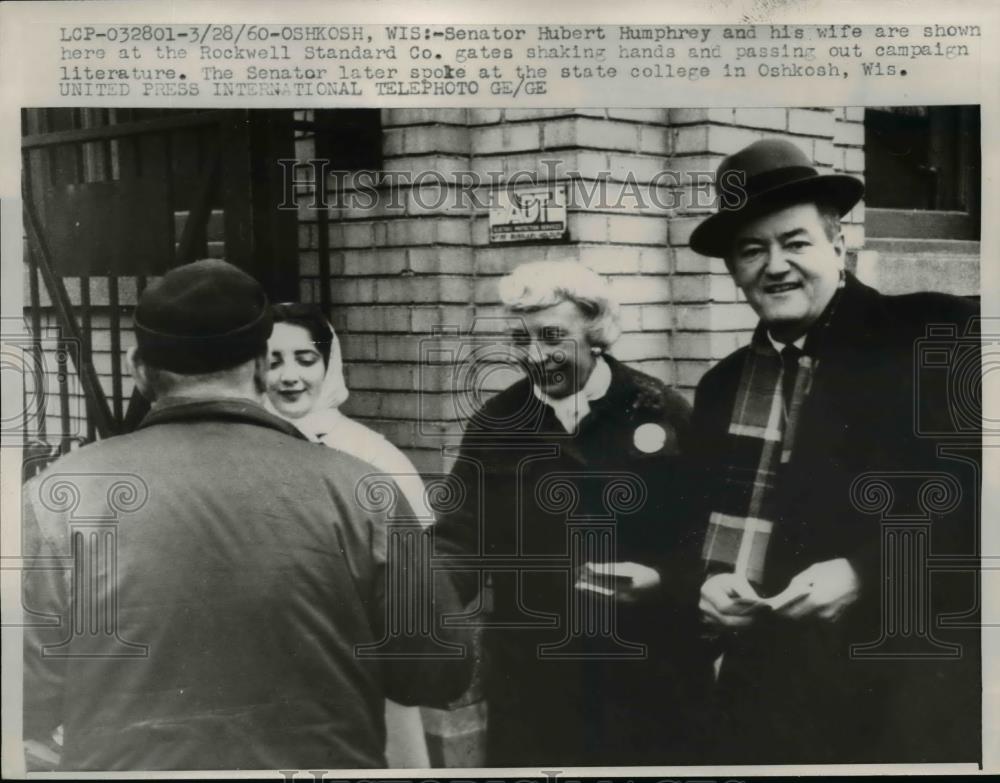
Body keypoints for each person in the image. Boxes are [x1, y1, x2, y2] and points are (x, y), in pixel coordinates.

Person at [21, 259, 472, 771]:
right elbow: (438, 670)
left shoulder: (58, 496)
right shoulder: (362, 489)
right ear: (261, 364)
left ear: (136, 367)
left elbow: (25, 695)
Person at [688, 138, 980, 763]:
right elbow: (691, 522)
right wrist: (707, 584)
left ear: (837, 244)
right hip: (764, 699)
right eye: (751, 250)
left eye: (795, 242)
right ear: (734, 271)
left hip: (901, 689)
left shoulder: (934, 334)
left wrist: (865, 573)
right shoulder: (719, 388)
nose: (775, 265)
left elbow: (977, 500)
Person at [434, 261, 712, 766]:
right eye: (521, 340)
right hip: (536, 684)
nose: (535, 355)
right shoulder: (497, 424)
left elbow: (709, 538)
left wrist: (663, 579)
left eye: (552, 337)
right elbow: (459, 537)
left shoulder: (658, 410)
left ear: (596, 331)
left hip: (648, 677)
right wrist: (421, 589)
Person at [263, 301, 432, 768]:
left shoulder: (372, 455)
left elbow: (414, 578)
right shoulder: (241, 450)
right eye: (273, 361)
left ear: (328, 364)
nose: (289, 376)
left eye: (305, 359)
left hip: (358, 664)